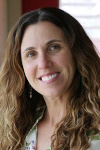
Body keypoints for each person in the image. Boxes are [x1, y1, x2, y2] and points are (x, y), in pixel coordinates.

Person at [0, 7, 100, 150]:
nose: (43, 64)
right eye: (31, 54)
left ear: (76, 52)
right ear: (20, 66)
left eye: (53, 47)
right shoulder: (15, 131)